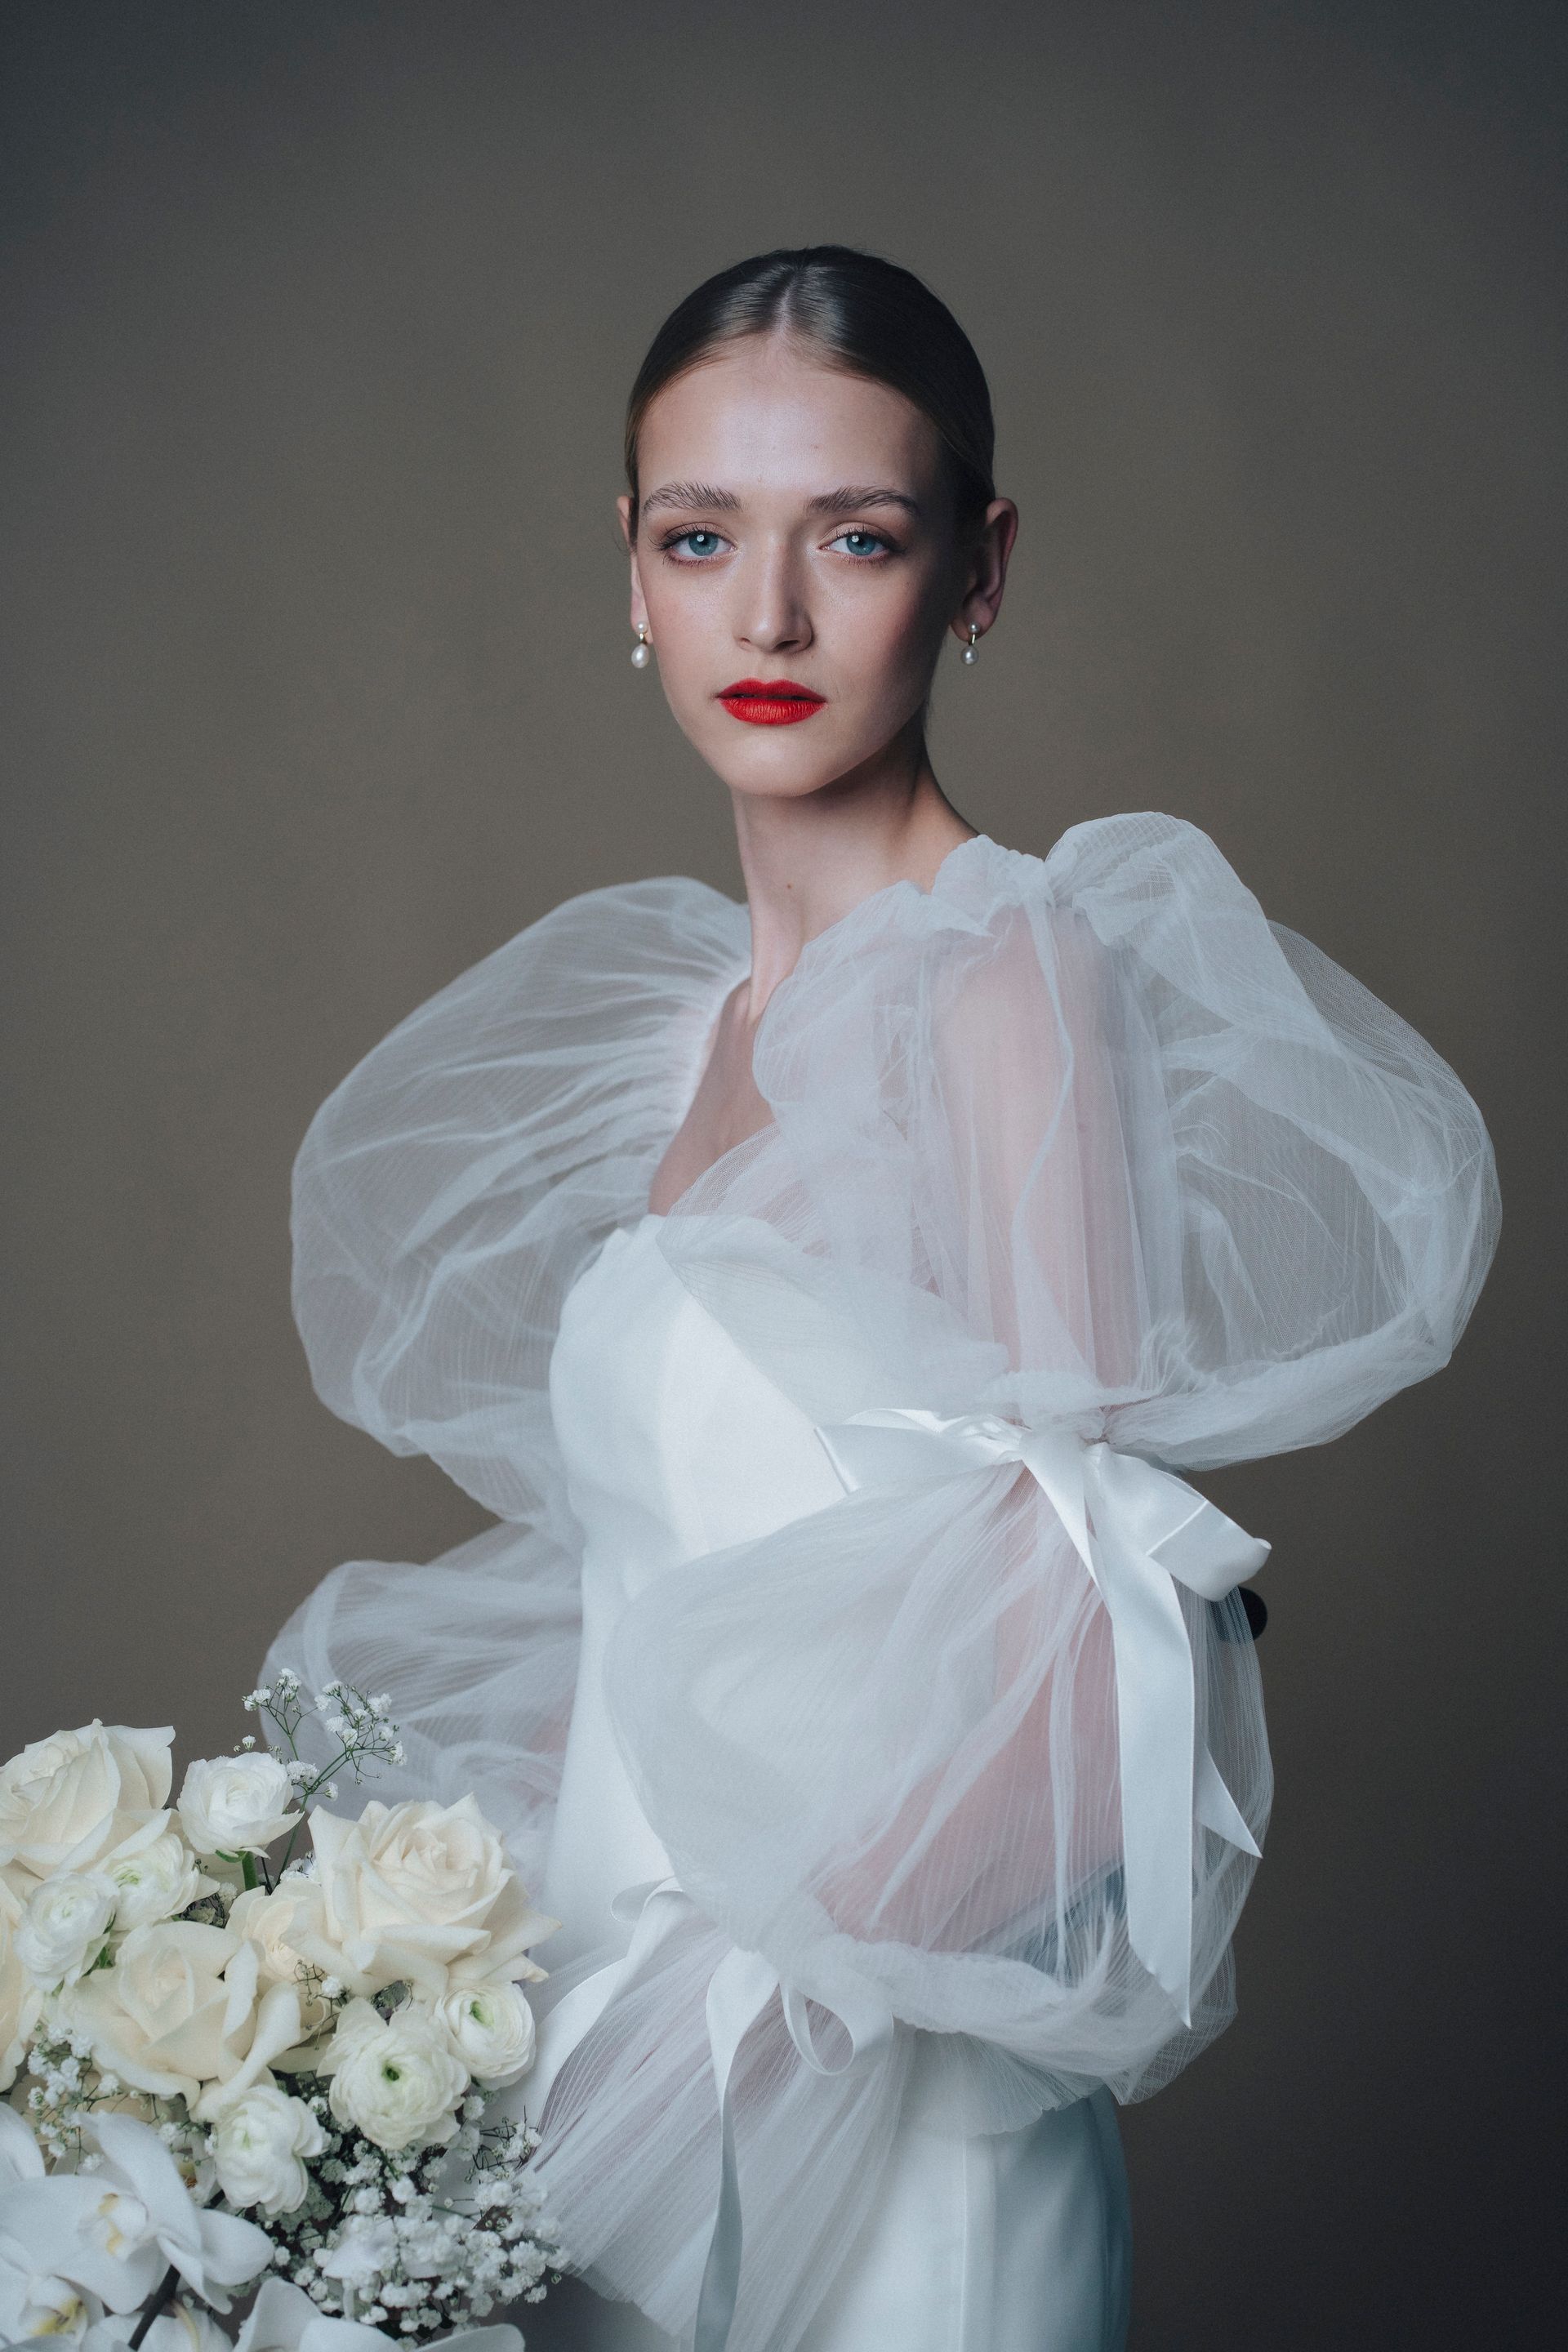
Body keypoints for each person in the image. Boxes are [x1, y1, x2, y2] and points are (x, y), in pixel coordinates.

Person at [261, 247, 1500, 2352]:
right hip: (621, 2067)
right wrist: (435, 2019)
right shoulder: (689, 1020)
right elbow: (659, 1593)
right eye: (701, 538)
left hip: (858, 2118)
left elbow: (1088, 1653)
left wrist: (713, 2065)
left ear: (978, 567)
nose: (768, 618)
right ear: (631, 569)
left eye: (854, 536)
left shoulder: (1006, 980)